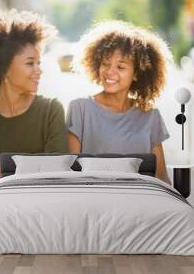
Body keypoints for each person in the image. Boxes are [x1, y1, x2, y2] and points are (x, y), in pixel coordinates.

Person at [0, 10, 68, 190]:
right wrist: (29, 169)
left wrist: (3, 172)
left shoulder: (51, 110)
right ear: (3, 69)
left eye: (39, 63)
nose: (38, 70)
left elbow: (57, 168)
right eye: (30, 63)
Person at [67, 21, 172, 184]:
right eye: (105, 64)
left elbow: (161, 177)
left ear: (136, 73)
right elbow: (71, 174)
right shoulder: (80, 109)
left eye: (120, 67)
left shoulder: (151, 115)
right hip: (93, 202)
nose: (110, 72)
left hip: (139, 202)